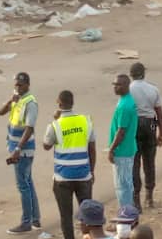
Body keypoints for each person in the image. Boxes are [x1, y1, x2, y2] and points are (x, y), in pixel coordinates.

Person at [43, 90, 96, 239]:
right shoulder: (86, 121)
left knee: (66, 216)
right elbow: (92, 149)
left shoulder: (55, 125)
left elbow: (46, 145)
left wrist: (55, 120)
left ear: (59, 104)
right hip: (84, 176)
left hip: (62, 178)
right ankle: (88, 236)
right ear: (72, 103)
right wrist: (91, 171)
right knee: (87, 214)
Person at [0, 72, 41, 234]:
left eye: (20, 85)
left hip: (23, 151)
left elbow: (29, 129)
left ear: (28, 85)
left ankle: (26, 222)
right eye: (16, 84)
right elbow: (0, 112)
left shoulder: (30, 103)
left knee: (23, 186)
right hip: (17, 149)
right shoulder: (17, 100)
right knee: (28, 183)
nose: (17, 87)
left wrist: (17, 150)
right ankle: (35, 219)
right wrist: (11, 100)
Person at [129, 62, 162, 211]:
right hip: (150, 124)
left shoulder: (128, 89)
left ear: (131, 74)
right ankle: (149, 197)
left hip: (134, 125)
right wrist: (161, 133)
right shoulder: (153, 89)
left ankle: (136, 200)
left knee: (135, 162)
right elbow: (159, 113)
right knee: (149, 161)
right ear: (144, 73)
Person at [109, 74, 139, 208]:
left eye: (119, 85)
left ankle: (126, 218)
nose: (115, 87)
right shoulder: (126, 100)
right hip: (129, 148)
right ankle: (129, 215)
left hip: (122, 151)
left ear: (127, 86)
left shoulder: (124, 106)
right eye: (114, 84)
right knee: (127, 184)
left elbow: (121, 131)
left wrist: (111, 149)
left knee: (122, 187)